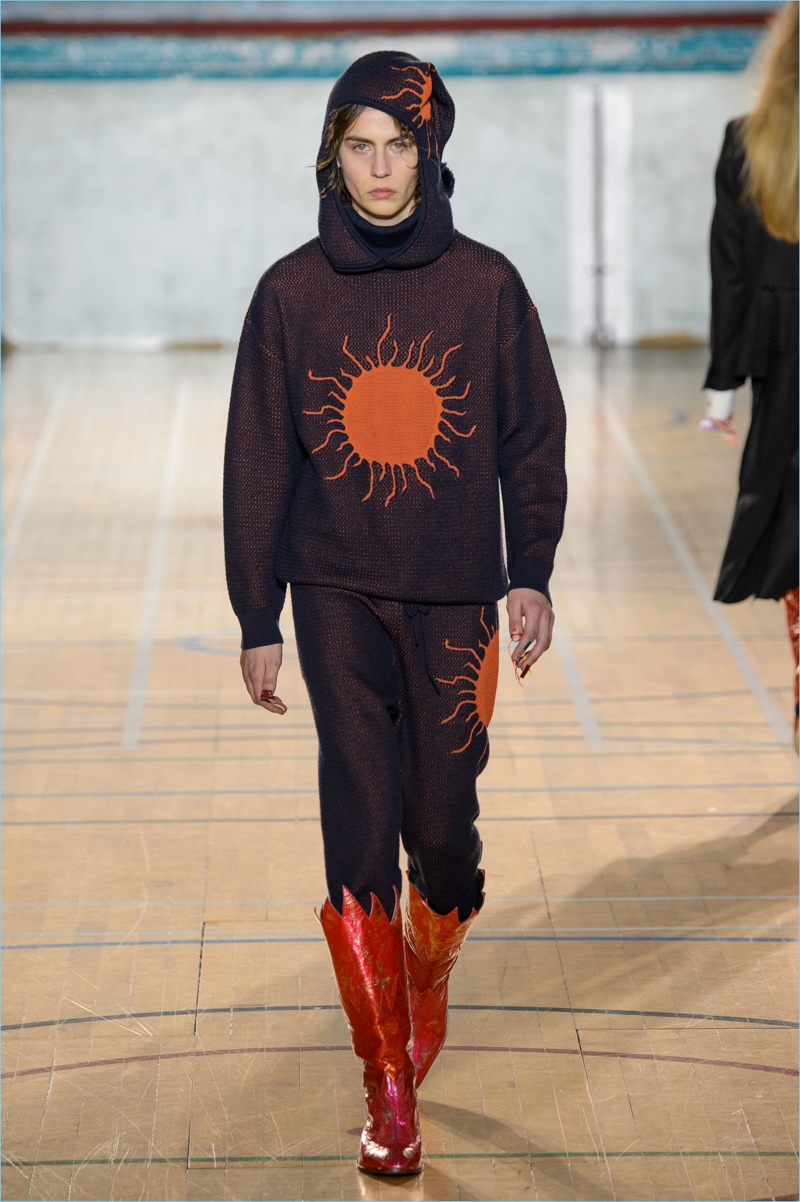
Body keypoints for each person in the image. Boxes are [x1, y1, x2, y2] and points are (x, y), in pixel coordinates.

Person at [223, 51, 567, 1175]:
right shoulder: (288, 294)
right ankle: (385, 1081)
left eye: (399, 146)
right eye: (359, 147)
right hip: (333, 591)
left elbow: (531, 438)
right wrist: (258, 615)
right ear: (333, 158)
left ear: (431, 152)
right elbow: (257, 461)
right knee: (360, 818)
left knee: (444, 832)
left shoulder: (488, 287)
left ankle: (431, 964)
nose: (379, 169)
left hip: (458, 594)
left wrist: (531, 569)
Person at [701, 1, 798, 747]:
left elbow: (731, 275)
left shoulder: (749, 140)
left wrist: (723, 386)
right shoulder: (749, 141)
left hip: (783, 365)